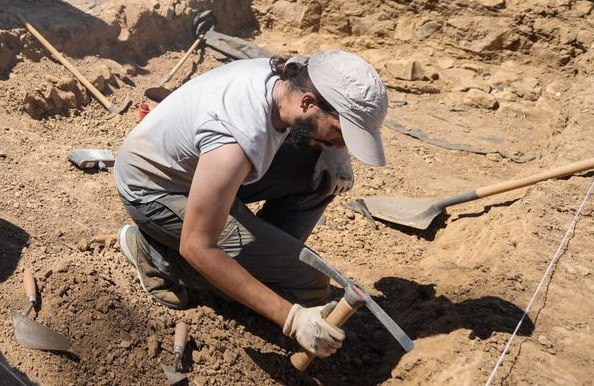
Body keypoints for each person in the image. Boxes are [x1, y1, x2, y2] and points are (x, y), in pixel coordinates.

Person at [114, 51, 389, 362]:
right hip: (159, 193)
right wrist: (291, 317)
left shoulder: (286, 81)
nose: (343, 144)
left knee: (323, 175)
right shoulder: (237, 137)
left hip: (202, 173)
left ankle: (262, 262)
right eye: (340, 133)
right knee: (309, 284)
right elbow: (197, 246)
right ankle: (157, 258)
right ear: (308, 103)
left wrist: (331, 148)